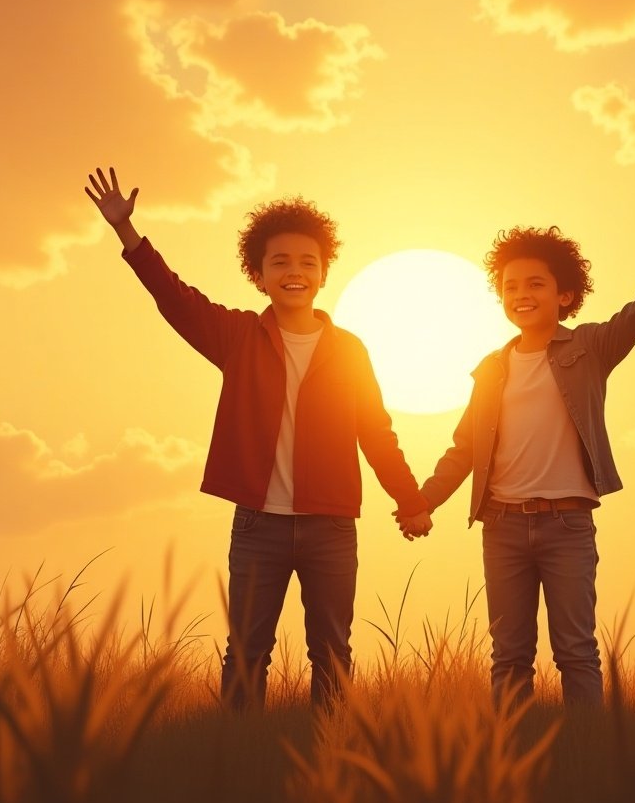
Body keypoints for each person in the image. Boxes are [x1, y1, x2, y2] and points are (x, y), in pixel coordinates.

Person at [85, 166, 432, 710]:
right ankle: (237, 757)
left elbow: (375, 430)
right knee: (247, 650)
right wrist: (128, 234)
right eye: (280, 262)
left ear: (323, 274)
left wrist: (410, 501)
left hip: (330, 524)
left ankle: (332, 758)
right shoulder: (239, 336)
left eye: (307, 263)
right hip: (257, 526)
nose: (294, 272)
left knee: (333, 652)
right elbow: (175, 298)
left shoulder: (350, 351)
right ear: (259, 274)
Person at [397, 187, 635, 708]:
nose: (521, 293)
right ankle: (512, 760)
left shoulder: (590, 348)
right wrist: (420, 503)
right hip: (501, 527)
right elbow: (463, 450)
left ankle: (586, 757)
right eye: (510, 286)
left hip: (567, 525)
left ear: (564, 295)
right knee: (509, 656)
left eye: (536, 284)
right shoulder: (491, 369)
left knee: (575, 651)